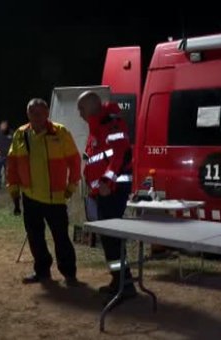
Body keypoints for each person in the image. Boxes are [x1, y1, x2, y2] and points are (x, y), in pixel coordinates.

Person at [6, 98, 81, 286]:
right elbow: (12, 165)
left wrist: (71, 187)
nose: (36, 117)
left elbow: (75, 161)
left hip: (55, 198)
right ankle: (42, 272)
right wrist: (14, 192)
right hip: (30, 197)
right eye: (32, 113)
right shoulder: (20, 135)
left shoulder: (60, 132)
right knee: (35, 237)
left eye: (39, 113)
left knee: (61, 238)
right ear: (27, 114)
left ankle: (69, 274)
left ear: (47, 113)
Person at [77, 91, 137, 302]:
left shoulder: (111, 123)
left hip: (113, 191)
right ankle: (119, 280)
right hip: (102, 192)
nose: (79, 114)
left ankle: (124, 285)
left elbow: (121, 155)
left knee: (111, 238)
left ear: (92, 106)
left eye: (81, 109)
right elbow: (95, 159)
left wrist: (105, 182)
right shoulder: (96, 127)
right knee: (108, 239)